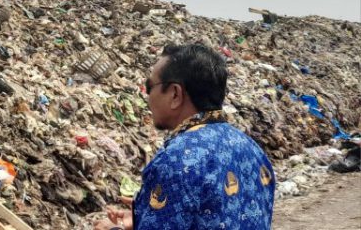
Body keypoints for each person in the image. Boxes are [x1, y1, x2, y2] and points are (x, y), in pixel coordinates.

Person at [95, 44, 275, 230]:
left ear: (175, 94)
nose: (148, 97)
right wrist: (142, 216)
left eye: (150, 87)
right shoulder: (252, 149)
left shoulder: (176, 160)